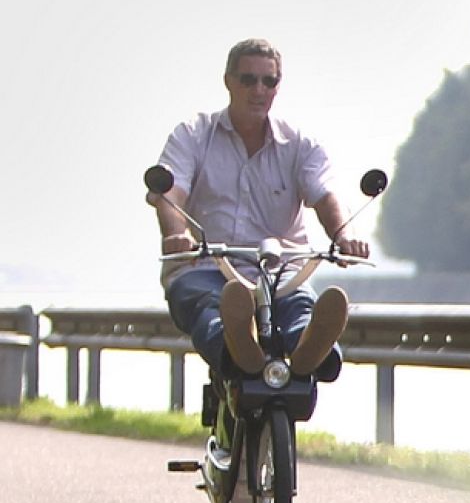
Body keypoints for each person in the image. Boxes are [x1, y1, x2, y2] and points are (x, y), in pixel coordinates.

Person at [148, 38, 370, 390]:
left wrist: (344, 236)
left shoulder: (300, 144)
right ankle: (236, 344)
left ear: (278, 86)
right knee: (211, 307)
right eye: (248, 79)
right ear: (228, 81)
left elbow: (326, 195)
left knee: (299, 309)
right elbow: (169, 191)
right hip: (205, 267)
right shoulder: (193, 134)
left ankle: (311, 350)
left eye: (269, 81)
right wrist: (178, 234)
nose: (259, 90)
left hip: (279, 271)